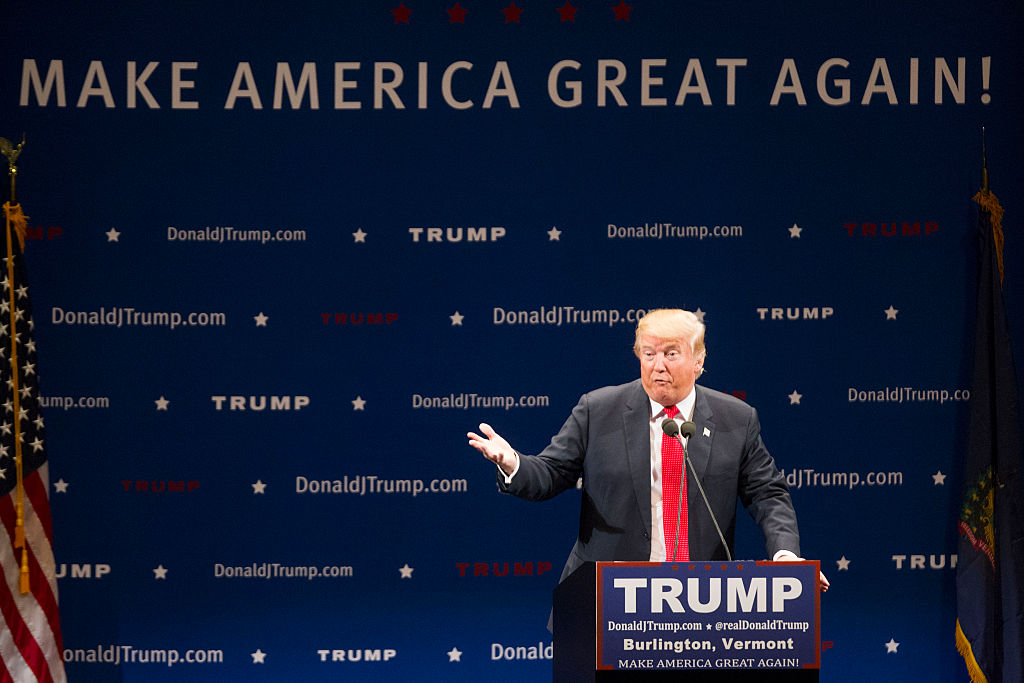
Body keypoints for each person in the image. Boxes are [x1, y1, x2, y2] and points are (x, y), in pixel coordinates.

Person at [468, 308, 829, 592]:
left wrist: (786, 555)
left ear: (699, 360)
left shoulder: (736, 419)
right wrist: (512, 462)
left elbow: (767, 493)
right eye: (649, 353)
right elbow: (550, 474)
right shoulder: (599, 409)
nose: (658, 366)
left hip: (702, 599)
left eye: (671, 353)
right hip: (607, 597)